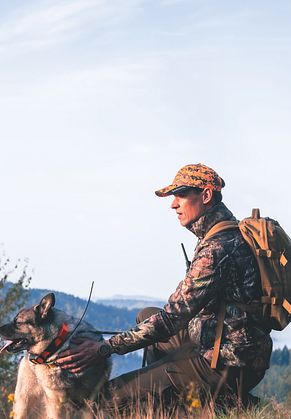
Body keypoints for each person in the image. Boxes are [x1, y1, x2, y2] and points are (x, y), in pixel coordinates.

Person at [56, 163, 272, 408]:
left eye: (180, 195)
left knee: (105, 401)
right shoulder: (225, 234)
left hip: (226, 363)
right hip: (228, 347)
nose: (173, 204)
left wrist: (105, 348)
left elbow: (172, 319)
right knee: (146, 315)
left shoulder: (216, 250)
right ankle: (164, 399)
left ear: (206, 195)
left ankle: (208, 401)